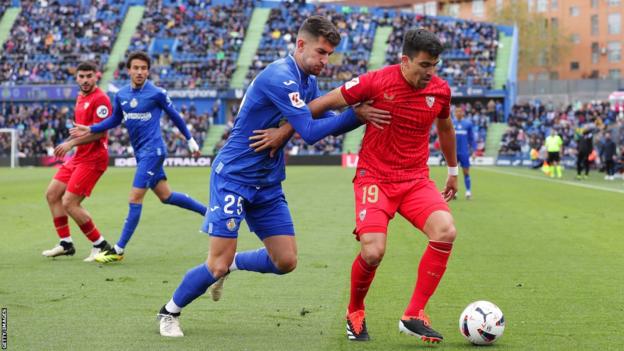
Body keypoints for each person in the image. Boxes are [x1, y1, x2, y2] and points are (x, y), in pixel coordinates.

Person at [154, 16, 390, 338]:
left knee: (286, 261)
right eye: (320, 52)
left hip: (267, 182)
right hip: (234, 179)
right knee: (215, 265)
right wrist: (354, 116)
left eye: (329, 55)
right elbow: (308, 130)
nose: (325, 61)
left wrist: (348, 116)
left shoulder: (307, 81)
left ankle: (233, 264)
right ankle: (169, 311)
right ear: (300, 44)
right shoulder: (280, 76)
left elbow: (318, 117)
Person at [254, 27, 457, 343]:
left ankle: (414, 313)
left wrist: (453, 170)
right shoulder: (374, 81)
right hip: (374, 179)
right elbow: (319, 105)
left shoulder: (440, 91)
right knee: (373, 252)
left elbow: (445, 127)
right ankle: (355, 311)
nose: (430, 73)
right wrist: (282, 133)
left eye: (434, 65)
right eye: (424, 66)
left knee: (446, 230)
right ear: (405, 61)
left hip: (415, 180)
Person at [70, 51, 207, 263]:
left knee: (134, 198)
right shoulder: (122, 95)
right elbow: (114, 120)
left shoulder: (157, 93)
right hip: (141, 154)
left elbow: (175, 116)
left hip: (153, 152)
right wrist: (90, 128)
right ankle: (209, 214)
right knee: (166, 196)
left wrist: (190, 140)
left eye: (144, 68)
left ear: (148, 71)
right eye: (136, 68)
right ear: (129, 70)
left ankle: (118, 249)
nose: (140, 72)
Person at [42, 61, 114, 261]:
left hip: (93, 158)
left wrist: (71, 143)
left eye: (88, 76)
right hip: (79, 156)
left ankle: (101, 245)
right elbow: (79, 129)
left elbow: (100, 134)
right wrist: (69, 142)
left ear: (96, 76)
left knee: (70, 202)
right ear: (76, 77)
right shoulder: (81, 97)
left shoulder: (101, 100)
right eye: (81, 76)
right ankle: (66, 243)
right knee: (52, 194)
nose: (85, 80)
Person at [453, 106, 475, 199]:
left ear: (462, 113)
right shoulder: (451, 123)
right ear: (454, 113)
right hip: (453, 152)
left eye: (459, 111)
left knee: (465, 172)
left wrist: (473, 151)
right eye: (456, 111)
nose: (458, 113)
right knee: (454, 173)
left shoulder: (468, 124)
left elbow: (471, 139)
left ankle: (468, 191)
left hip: (464, 152)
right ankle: (454, 192)